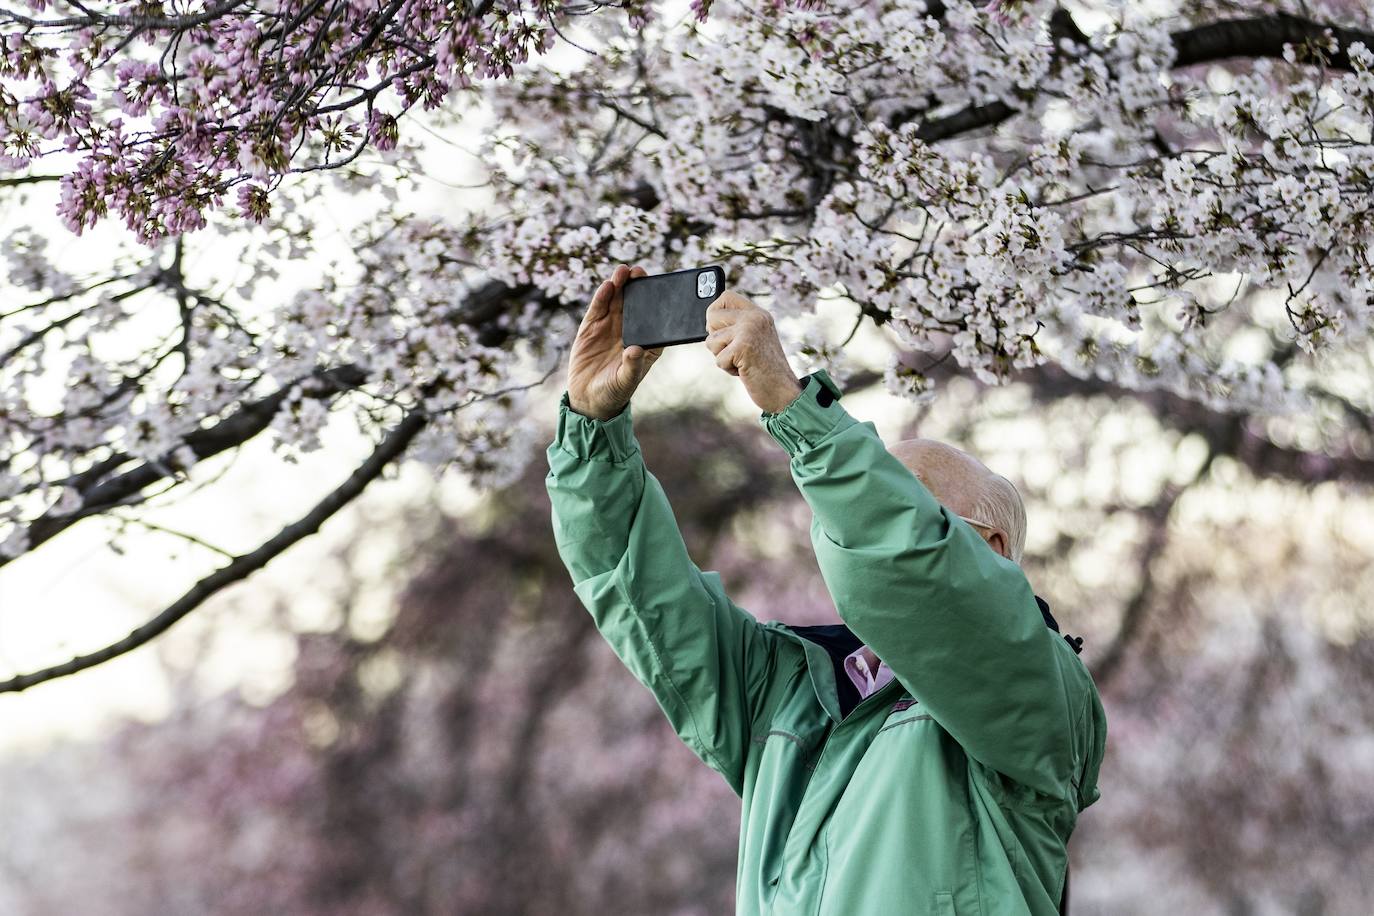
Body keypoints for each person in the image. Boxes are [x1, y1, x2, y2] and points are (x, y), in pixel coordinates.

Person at [545, 265, 1107, 915]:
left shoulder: (1034, 686)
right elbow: (639, 592)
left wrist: (792, 406)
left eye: (903, 498)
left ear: (991, 549)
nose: (857, 510)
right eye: (873, 491)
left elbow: (910, 564)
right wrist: (592, 427)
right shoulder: (786, 695)